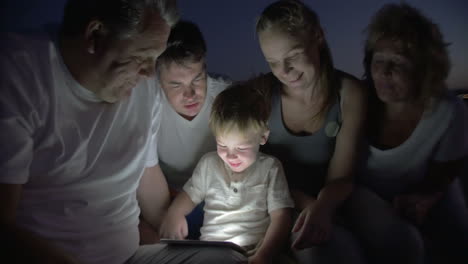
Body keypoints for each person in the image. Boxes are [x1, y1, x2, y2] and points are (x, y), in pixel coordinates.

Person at [0, 1, 244, 263]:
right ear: (95, 35)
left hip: (128, 256)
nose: (150, 73)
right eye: (141, 57)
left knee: (227, 258)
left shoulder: (145, 86)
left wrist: (173, 228)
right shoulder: (18, 74)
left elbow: (147, 176)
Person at [345, 3, 468, 264]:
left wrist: (426, 197)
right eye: (378, 61)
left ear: (425, 69)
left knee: (460, 239)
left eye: (398, 63)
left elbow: (447, 170)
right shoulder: (356, 99)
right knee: (406, 247)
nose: (384, 71)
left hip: (424, 186)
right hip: (363, 193)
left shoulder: (449, 111)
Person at [255, 0, 367, 263]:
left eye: (292, 56)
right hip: (277, 202)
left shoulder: (350, 94)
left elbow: (342, 177)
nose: (284, 72)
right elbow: (251, 168)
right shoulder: (260, 95)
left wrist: (323, 207)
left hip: (331, 198)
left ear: (318, 36)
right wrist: (304, 202)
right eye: (272, 62)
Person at [159, 79, 295, 264]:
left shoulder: (270, 168)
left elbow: (281, 216)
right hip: (212, 251)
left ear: (263, 137)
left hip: (254, 250)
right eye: (222, 145)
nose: (231, 156)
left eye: (241, 148)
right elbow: (190, 195)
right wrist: (174, 214)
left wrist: (265, 254)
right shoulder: (209, 164)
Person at [139, 20, 231, 242]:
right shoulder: (147, 103)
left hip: (216, 197)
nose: (190, 95)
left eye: (197, 79)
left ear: (205, 68)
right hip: (166, 197)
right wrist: (169, 232)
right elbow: (146, 174)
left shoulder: (226, 97)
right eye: (176, 85)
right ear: (158, 80)